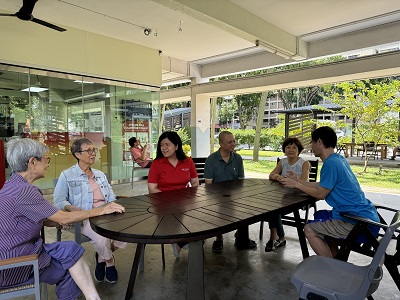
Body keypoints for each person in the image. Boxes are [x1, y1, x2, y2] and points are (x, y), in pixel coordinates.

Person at [0, 138, 125, 300]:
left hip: (10, 258)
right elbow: (63, 215)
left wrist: (57, 222)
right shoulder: (26, 191)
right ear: (32, 162)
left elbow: (33, 217)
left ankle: (92, 296)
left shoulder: (10, 187)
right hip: (15, 265)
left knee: (74, 262)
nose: (48, 164)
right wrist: (100, 211)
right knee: (73, 258)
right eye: (46, 159)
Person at [281, 126, 379, 258]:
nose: (311, 145)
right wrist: (299, 181)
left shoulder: (330, 164)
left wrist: (296, 185)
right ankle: (336, 260)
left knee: (309, 229)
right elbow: (323, 185)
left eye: (312, 142)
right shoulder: (338, 159)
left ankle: (332, 268)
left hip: (357, 222)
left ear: (319, 142)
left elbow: (320, 194)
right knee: (320, 216)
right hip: (366, 217)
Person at [54, 138, 127, 284]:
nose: (93, 153)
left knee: (128, 231)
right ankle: (110, 262)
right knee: (101, 237)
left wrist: (113, 206)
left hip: (106, 213)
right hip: (86, 218)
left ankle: (101, 258)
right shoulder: (67, 175)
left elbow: (111, 196)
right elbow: (59, 201)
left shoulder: (100, 174)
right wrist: (70, 208)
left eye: (94, 150)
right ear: (78, 154)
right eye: (89, 150)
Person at [147, 131, 199, 258]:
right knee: (188, 230)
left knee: (199, 222)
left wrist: (193, 197)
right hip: (164, 204)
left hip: (185, 203)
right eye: (161, 145)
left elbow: (195, 181)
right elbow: (152, 189)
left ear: (176, 146)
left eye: (167, 144)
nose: (164, 148)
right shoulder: (157, 164)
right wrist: (173, 201)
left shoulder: (187, 161)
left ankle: (180, 241)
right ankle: (181, 241)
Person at [204, 131, 256, 254]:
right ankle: (219, 238)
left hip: (235, 195)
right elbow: (208, 184)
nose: (233, 144)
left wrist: (239, 196)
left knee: (247, 207)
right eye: (229, 142)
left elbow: (241, 180)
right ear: (221, 144)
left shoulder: (237, 158)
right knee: (218, 209)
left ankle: (241, 236)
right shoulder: (211, 160)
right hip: (216, 196)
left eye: (234, 141)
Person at [266, 137, 310, 252]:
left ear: (299, 150)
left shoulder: (304, 163)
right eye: (288, 147)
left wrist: (294, 181)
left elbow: (305, 181)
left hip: (298, 196)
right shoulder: (283, 161)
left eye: (294, 147)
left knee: (274, 209)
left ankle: (276, 237)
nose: (291, 150)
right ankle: (277, 237)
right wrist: (279, 177)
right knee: (271, 206)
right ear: (284, 149)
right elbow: (271, 174)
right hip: (282, 195)